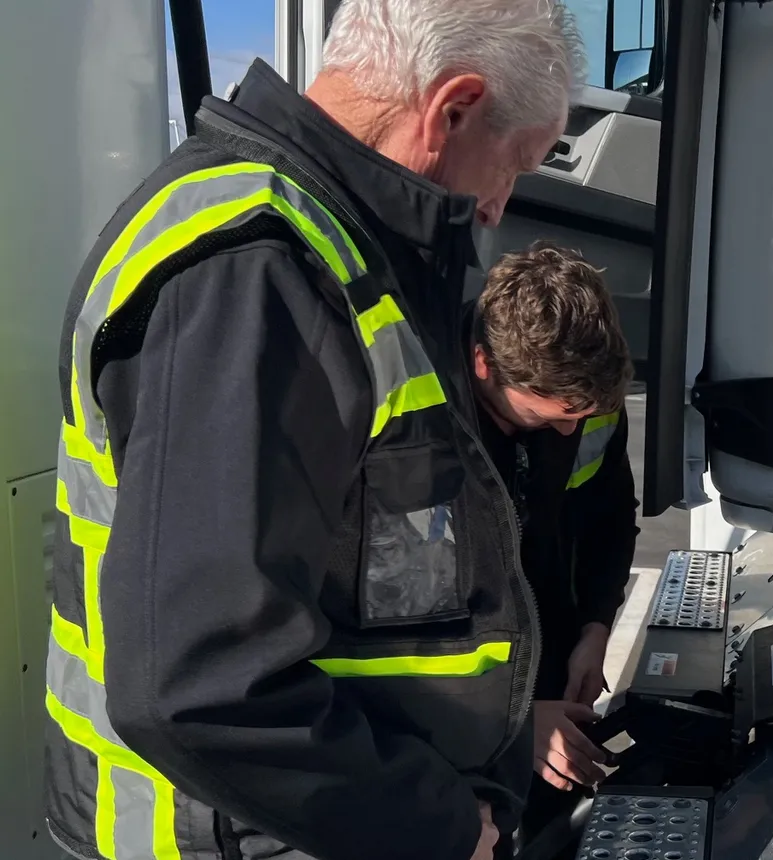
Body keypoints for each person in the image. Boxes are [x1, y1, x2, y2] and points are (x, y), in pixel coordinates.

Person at [44, 2, 579, 859]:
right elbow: (203, 684)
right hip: (242, 838)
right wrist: (436, 827)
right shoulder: (261, 273)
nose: (497, 207)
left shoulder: (327, 242)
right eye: (515, 163)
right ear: (452, 107)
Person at [466, 244, 639, 843]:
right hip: (452, 713)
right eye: (548, 416)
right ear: (484, 364)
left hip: (551, 660)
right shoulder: (429, 422)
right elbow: (402, 636)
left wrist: (594, 630)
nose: (570, 429)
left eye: (582, 414)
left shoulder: (586, 405)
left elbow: (610, 517)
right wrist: (509, 724)